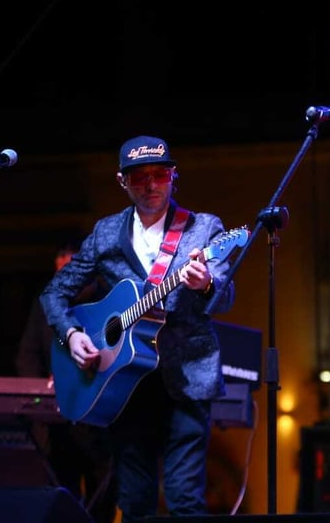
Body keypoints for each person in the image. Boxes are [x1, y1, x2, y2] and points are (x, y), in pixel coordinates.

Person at [40, 135, 236, 523]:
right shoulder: (106, 233)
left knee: (185, 499)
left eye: (160, 174)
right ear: (121, 181)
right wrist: (73, 334)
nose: (150, 184)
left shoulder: (203, 229)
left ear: (173, 177)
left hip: (185, 377)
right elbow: (54, 293)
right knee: (134, 501)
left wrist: (206, 284)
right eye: (139, 176)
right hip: (123, 383)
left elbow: (224, 298)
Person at [16, 240, 117, 523]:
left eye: (71, 276)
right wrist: (41, 388)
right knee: (61, 490)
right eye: (60, 276)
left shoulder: (106, 298)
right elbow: (28, 354)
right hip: (59, 417)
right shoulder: (48, 305)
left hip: (99, 417)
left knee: (103, 493)